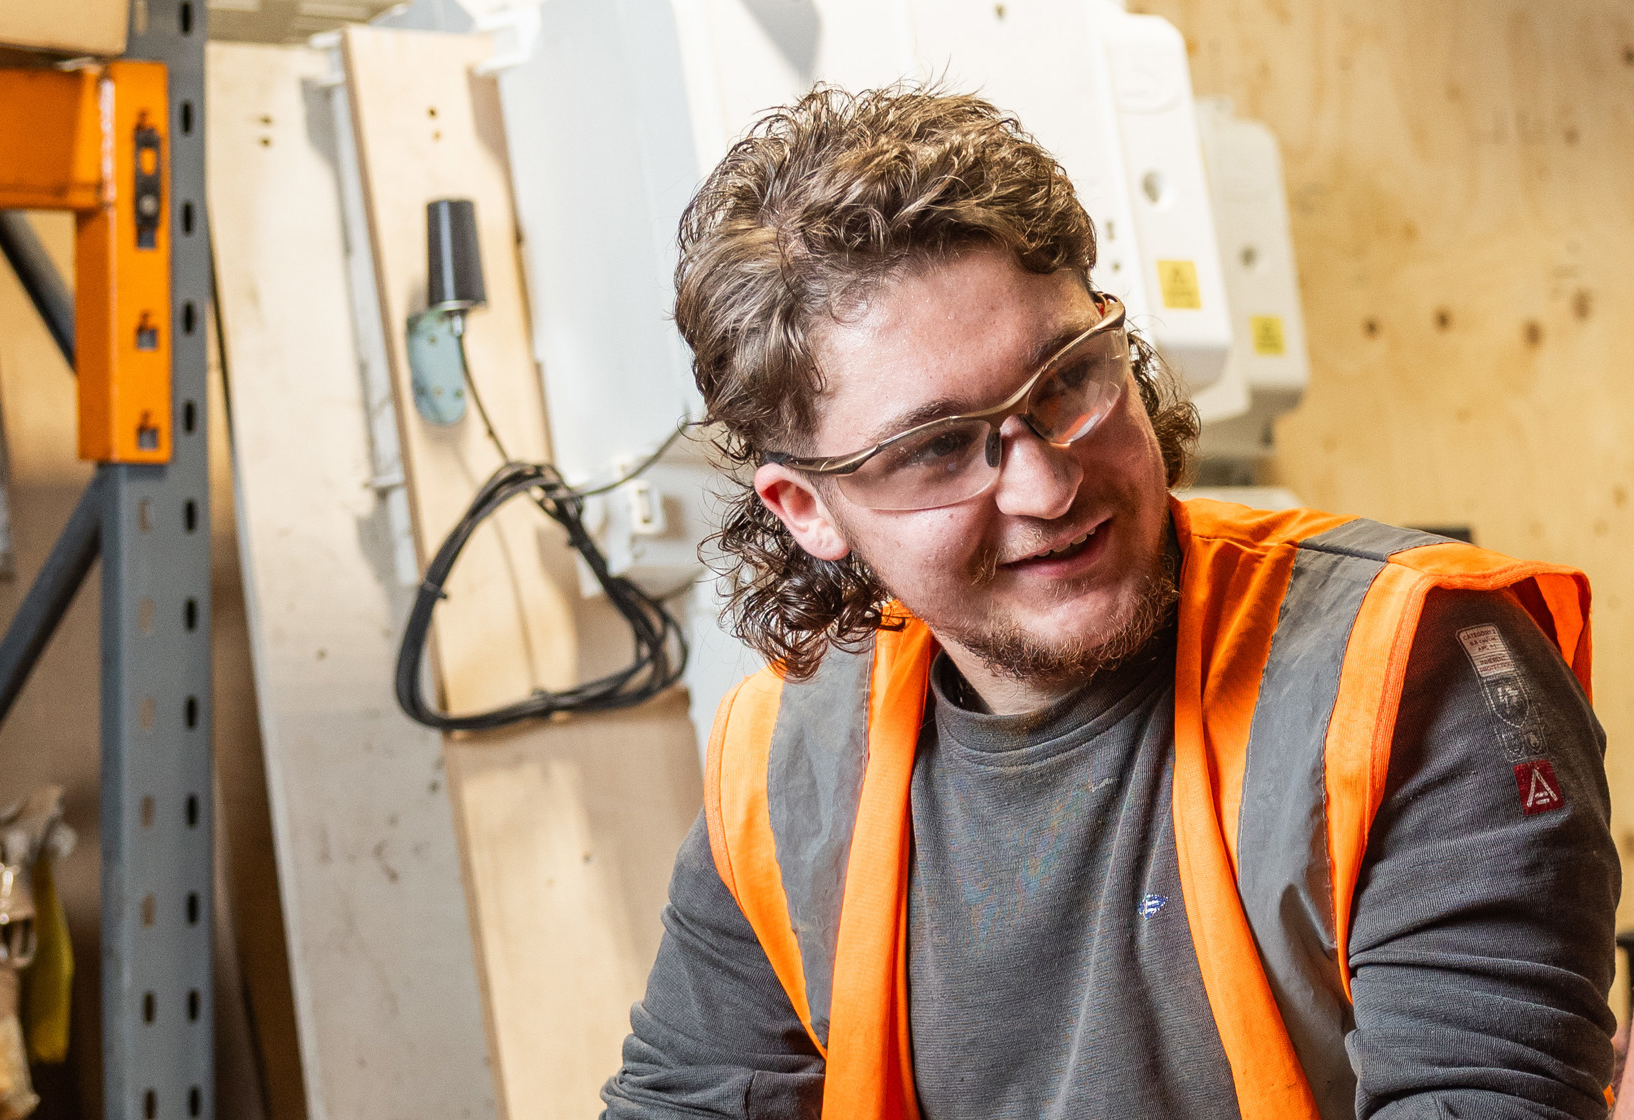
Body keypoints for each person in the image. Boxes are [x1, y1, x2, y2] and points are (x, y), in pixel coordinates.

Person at [600, 86, 1619, 1120]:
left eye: (1065, 380)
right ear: (807, 509)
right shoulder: (785, 768)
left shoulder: (1405, 665)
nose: (1047, 486)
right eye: (938, 448)